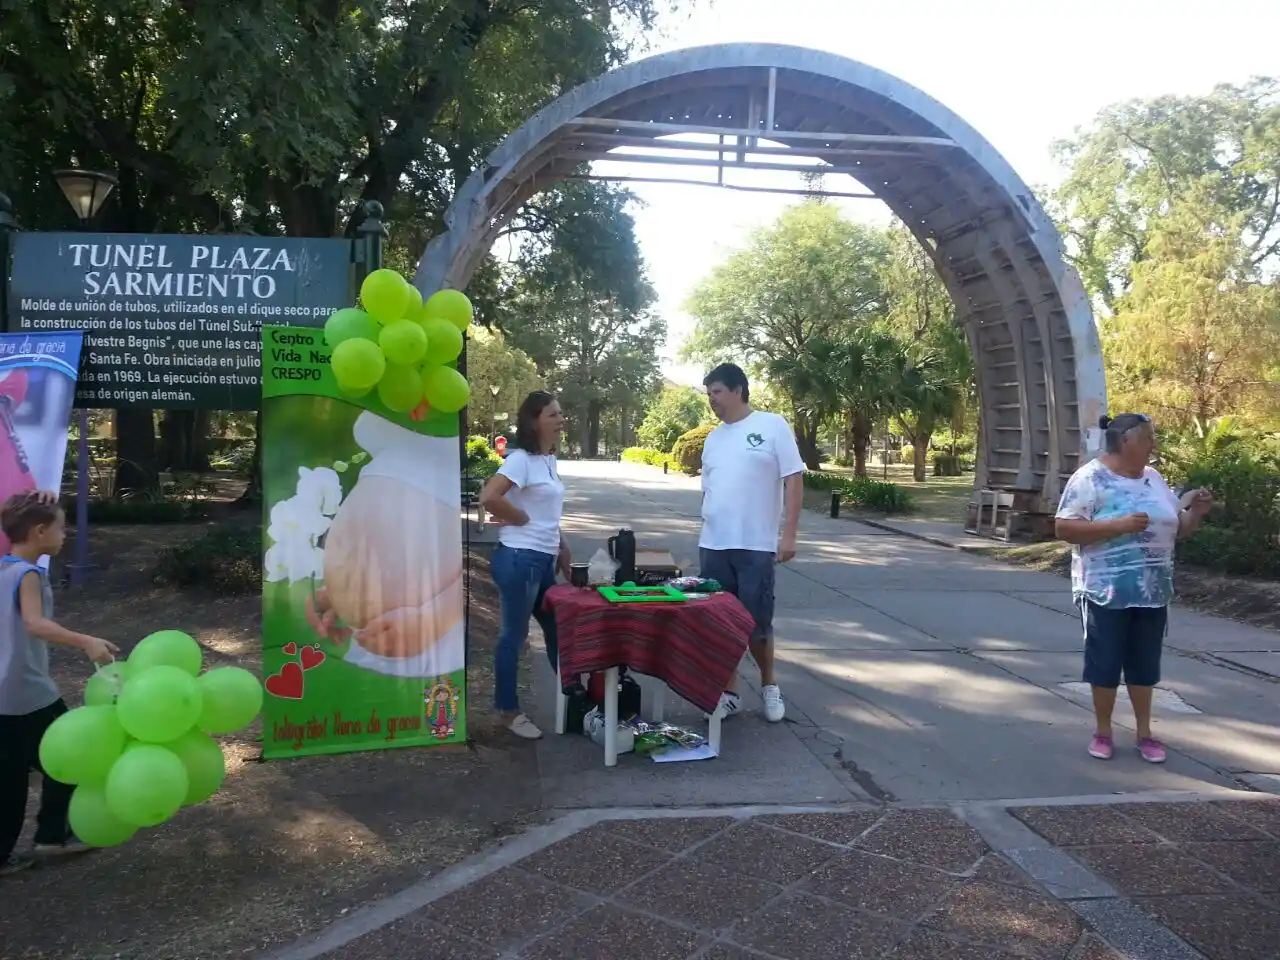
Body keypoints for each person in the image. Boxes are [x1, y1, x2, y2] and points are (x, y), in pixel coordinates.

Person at [1055, 413, 1214, 764]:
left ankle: (1145, 733)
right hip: (1104, 591)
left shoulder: (1154, 478)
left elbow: (1176, 530)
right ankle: (1103, 731)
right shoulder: (1090, 478)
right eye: (1147, 439)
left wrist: (1196, 514)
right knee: (1106, 663)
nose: (1152, 445)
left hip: (1152, 591)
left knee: (1145, 665)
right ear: (1126, 441)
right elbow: (1064, 528)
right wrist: (1118, 526)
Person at [1, 490, 118, 876]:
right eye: (60, 527)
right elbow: (34, 624)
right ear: (38, 532)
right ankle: (51, 836)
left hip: (6, 694)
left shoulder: (3, 568)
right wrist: (87, 641)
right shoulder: (29, 573)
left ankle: (8, 853)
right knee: (71, 756)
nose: (65, 534)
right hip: (28, 693)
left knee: (12, 778)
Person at [698, 363, 805, 723]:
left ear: (738, 389)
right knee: (718, 623)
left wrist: (788, 534)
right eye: (709, 393)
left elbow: (793, 480)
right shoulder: (713, 439)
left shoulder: (772, 426)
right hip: (714, 544)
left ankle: (769, 685)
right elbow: (710, 490)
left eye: (717, 391)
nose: (712, 399)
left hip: (755, 545)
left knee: (756, 625)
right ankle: (729, 692)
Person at [479, 391, 571, 740]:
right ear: (534, 421)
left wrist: (561, 544)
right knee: (512, 638)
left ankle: (573, 699)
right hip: (519, 559)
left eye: (560, 413)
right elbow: (489, 497)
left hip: (543, 559)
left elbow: (547, 510)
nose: (560, 420)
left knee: (557, 630)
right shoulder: (520, 460)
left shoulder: (547, 460)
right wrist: (518, 517)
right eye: (552, 414)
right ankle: (507, 710)